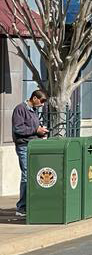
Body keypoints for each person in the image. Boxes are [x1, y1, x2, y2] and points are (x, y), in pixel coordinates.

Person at [12, 89, 48, 217]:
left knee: (36, 175)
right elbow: (18, 129)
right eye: (41, 101)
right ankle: (21, 207)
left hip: (33, 145)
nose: (42, 104)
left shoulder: (33, 111)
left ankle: (31, 204)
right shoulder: (20, 109)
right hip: (24, 146)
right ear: (34, 98)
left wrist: (41, 133)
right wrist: (36, 130)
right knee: (27, 175)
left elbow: (33, 129)